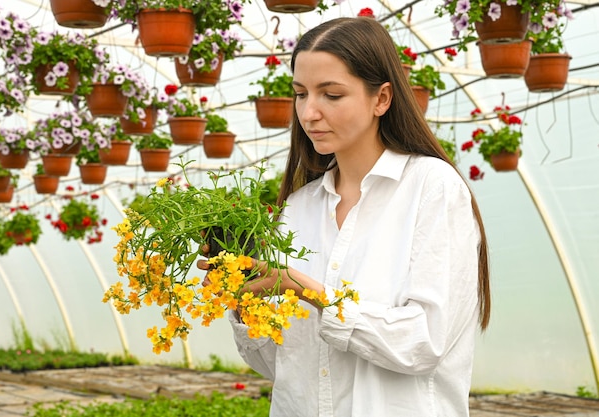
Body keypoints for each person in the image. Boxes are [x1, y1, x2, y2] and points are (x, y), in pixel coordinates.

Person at [200, 16, 490, 417]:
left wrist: (311, 292)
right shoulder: (299, 207)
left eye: (331, 95)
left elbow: (424, 341)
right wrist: (246, 296)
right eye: (301, 94)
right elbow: (279, 365)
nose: (310, 113)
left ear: (381, 99)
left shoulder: (431, 187)